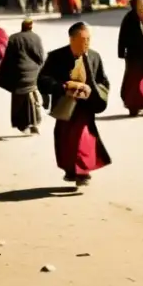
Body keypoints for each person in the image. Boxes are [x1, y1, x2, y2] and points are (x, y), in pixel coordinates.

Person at [38, 22, 111, 187]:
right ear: (71, 39)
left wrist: (92, 91)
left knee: (84, 138)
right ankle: (70, 170)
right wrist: (65, 86)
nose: (86, 43)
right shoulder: (56, 57)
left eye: (89, 39)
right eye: (82, 39)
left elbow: (103, 81)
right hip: (65, 106)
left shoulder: (94, 56)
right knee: (65, 141)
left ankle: (82, 172)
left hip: (85, 107)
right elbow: (42, 81)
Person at [0, 19, 45, 134]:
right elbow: (41, 58)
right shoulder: (36, 38)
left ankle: (23, 124)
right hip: (33, 77)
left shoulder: (13, 38)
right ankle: (34, 123)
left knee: (19, 99)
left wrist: (2, 76)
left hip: (19, 76)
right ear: (31, 27)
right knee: (34, 97)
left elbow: (8, 59)